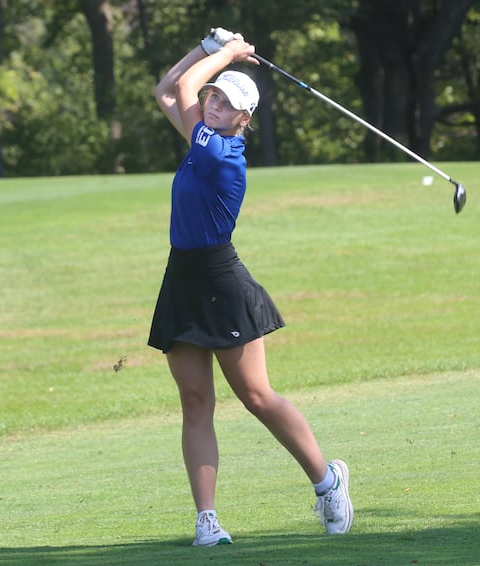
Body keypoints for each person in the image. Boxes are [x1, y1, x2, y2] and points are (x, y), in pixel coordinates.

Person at [148, 28, 354, 547]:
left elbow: (187, 90)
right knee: (195, 403)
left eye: (226, 102)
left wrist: (228, 54)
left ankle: (327, 483)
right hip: (182, 279)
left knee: (256, 396)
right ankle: (208, 522)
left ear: (244, 119)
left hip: (222, 280)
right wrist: (204, 45)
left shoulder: (222, 156)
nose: (213, 104)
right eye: (214, 97)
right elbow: (167, 90)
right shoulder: (200, 140)